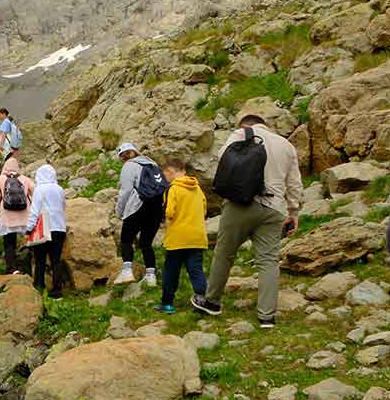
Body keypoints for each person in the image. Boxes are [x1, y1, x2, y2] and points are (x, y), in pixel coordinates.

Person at [192, 115, 303, 328]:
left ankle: (212, 301)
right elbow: (294, 184)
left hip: (240, 204)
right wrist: (294, 213)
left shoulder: (241, 134)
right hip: (274, 209)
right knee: (269, 261)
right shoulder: (287, 145)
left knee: (225, 253)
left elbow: (224, 161)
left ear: (245, 124)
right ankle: (266, 316)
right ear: (266, 125)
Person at [159, 157, 208, 313]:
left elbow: (169, 212)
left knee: (171, 272)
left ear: (169, 172)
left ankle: (167, 304)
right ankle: (202, 301)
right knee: (196, 270)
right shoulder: (198, 188)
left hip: (177, 238)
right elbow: (204, 209)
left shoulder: (173, 189)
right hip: (197, 237)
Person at [114, 142, 165, 286]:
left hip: (137, 205)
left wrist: (120, 211)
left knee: (126, 239)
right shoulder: (153, 165)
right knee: (146, 242)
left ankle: (127, 272)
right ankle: (151, 276)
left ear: (123, 156)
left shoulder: (129, 165)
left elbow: (126, 190)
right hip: (156, 208)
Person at [25, 164, 68, 298]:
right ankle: (57, 291)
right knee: (56, 260)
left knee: (40, 260)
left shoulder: (39, 189)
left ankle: (39, 286)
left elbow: (34, 211)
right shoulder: (59, 189)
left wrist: (28, 229)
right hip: (59, 228)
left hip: (44, 228)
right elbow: (63, 206)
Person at [0, 157, 34, 274]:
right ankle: (32, 265)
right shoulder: (24, 179)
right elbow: (35, 192)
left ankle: (12, 268)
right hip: (24, 215)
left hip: (8, 216)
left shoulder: (1, 179)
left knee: (9, 242)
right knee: (30, 239)